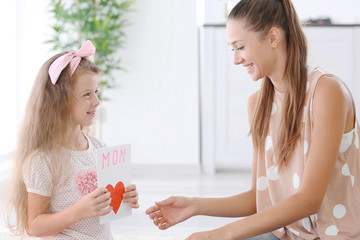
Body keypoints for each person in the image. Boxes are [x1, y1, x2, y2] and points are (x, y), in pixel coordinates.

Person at [145, 0, 360, 239]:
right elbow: (259, 198)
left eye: (240, 47)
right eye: (232, 49)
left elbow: (309, 200)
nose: (236, 59)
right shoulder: (258, 104)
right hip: (287, 235)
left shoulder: (326, 92)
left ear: (273, 38)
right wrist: (195, 206)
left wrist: (221, 234)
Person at [4, 40, 139, 239]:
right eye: (86, 94)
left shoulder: (99, 148)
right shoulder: (42, 160)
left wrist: (123, 197)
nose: (96, 101)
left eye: (96, 92)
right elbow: (34, 226)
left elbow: (106, 205)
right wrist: (79, 211)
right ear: (60, 102)